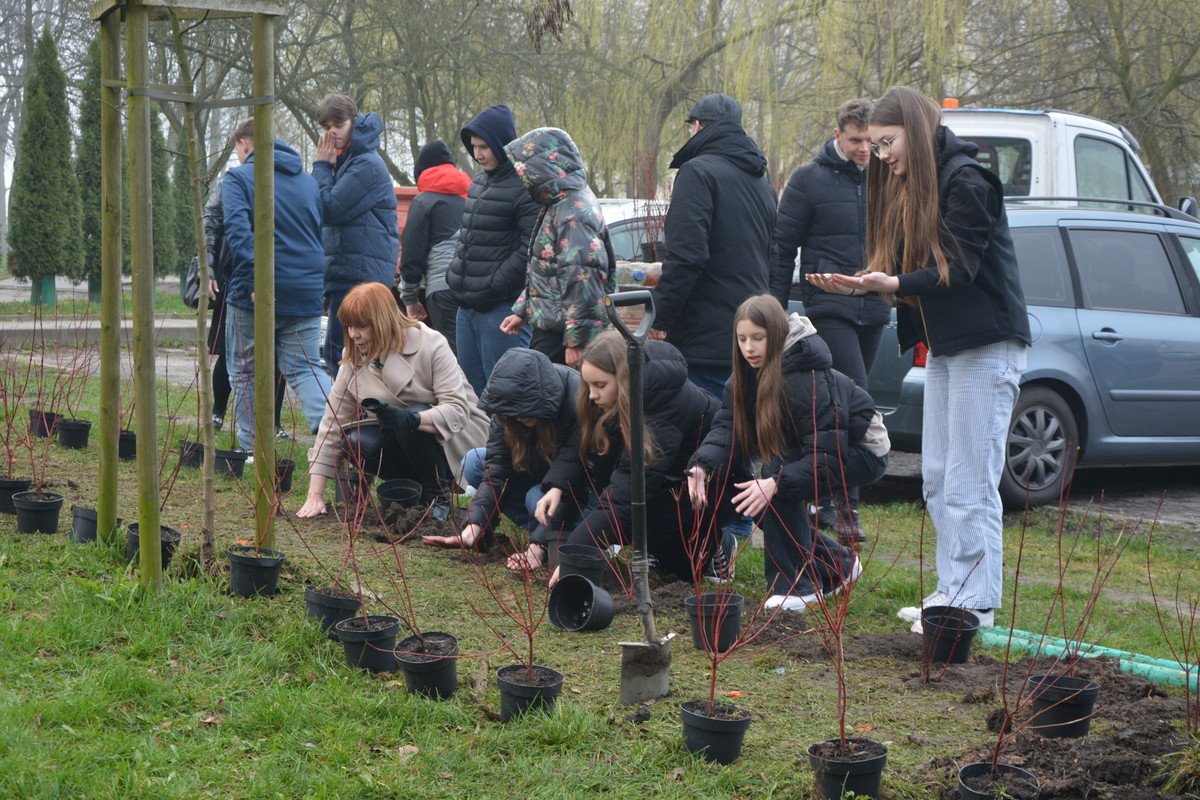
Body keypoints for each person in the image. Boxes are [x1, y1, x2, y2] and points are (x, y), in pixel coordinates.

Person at [807, 86, 1030, 631]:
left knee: (969, 482)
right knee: (935, 475)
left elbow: (958, 269)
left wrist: (896, 281)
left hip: (987, 345)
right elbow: (914, 276)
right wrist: (863, 286)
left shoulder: (967, 181)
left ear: (915, 128)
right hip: (949, 349)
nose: (881, 155)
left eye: (887, 141)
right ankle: (951, 592)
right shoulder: (915, 185)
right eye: (876, 145)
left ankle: (974, 604)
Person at [688, 295, 889, 609]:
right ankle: (839, 563)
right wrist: (701, 467)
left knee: (774, 476)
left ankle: (797, 588)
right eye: (742, 339)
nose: (749, 348)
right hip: (811, 453)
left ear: (778, 334)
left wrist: (776, 483)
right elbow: (727, 431)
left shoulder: (807, 379)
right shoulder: (742, 379)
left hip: (859, 452)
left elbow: (827, 455)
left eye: (758, 338)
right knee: (750, 488)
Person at [773, 98, 890, 542]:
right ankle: (848, 507)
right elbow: (783, 246)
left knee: (837, 404)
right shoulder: (808, 180)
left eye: (872, 140)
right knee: (854, 398)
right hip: (830, 306)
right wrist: (775, 306)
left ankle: (820, 494)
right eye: (857, 140)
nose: (865, 149)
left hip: (875, 306)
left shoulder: (885, 175)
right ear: (838, 134)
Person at [547, 330, 728, 588]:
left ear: (624, 380)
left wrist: (575, 552)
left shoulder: (661, 407)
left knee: (681, 569)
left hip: (705, 486)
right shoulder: (609, 400)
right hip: (666, 480)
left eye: (600, 385)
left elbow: (626, 494)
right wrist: (558, 485)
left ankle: (713, 543)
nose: (591, 395)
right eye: (588, 385)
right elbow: (581, 446)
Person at [297, 282, 488, 519]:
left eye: (361, 326)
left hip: (455, 441)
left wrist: (412, 419)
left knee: (409, 419)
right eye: (349, 326)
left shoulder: (430, 343)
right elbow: (332, 424)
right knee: (355, 440)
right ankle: (414, 492)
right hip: (406, 440)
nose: (353, 334)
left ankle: (438, 496)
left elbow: (457, 410)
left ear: (382, 321)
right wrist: (314, 496)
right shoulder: (354, 360)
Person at [649, 93, 777, 397]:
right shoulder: (760, 178)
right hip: (750, 327)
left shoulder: (697, 172)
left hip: (704, 336)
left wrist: (659, 317)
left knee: (708, 431)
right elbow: (772, 251)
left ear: (697, 127)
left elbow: (687, 256)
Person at [421, 348, 590, 570]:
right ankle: (542, 527)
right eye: (513, 413)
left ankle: (558, 535)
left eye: (527, 411)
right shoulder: (506, 408)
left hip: (579, 488)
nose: (519, 418)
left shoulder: (575, 400)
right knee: (474, 462)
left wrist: (538, 546)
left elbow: (573, 474)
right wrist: (475, 525)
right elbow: (497, 469)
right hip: (539, 471)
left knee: (535, 497)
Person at [221, 119, 332, 451]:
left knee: (244, 372)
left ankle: (251, 449)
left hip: (255, 293)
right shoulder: (309, 183)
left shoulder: (239, 179)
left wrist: (258, 278)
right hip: (306, 290)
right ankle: (338, 437)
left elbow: (239, 235)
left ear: (244, 143)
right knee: (307, 367)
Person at [498, 127, 615, 366]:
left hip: (562, 338)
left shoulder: (574, 213)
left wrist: (577, 341)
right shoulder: (559, 202)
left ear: (542, 167)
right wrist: (524, 310)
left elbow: (583, 277)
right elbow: (548, 270)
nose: (521, 177)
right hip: (555, 329)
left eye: (525, 170)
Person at [445, 104, 540, 396]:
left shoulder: (526, 187)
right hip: (467, 308)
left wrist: (494, 285)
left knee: (507, 396)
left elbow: (530, 248)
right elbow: (467, 238)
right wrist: (454, 274)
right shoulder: (478, 183)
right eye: (474, 147)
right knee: (474, 395)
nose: (478, 154)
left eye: (484, 146)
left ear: (501, 143)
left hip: (501, 310)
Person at [312, 93, 400, 374]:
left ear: (353, 121)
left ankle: (351, 416)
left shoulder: (365, 165)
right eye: (325, 128)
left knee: (346, 355)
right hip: (349, 271)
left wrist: (322, 167)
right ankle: (348, 415)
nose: (331, 133)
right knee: (340, 353)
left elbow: (328, 208)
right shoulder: (349, 160)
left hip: (359, 276)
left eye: (337, 125)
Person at [202, 178, 286, 440]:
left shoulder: (283, 182)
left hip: (276, 276)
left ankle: (274, 421)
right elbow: (211, 222)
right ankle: (218, 411)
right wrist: (208, 267)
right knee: (231, 353)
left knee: (275, 355)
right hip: (236, 277)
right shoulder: (230, 182)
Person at [398, 140, 471, 354]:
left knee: (452, 359)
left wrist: (410, 300)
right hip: (477, 289)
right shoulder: (474, 198)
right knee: (472, 357)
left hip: (443, 289)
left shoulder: (423, 202)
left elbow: (412, 256)